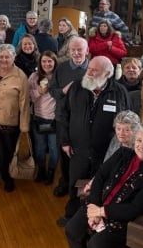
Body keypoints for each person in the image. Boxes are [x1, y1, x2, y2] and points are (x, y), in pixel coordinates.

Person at [65, 126, 143, 248]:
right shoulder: (122, 153)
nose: (142, 145)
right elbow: (100, 176)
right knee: (71, 230)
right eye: (139, 140)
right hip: (97, 203)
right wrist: (94, 206)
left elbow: (134, 209)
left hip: (122, 219)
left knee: (95, 245)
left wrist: (100, 212)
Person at [57, 56, 130, 226]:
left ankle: (94, 220)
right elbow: (63, 114)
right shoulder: (77, 87)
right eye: (89, 68)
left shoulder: (119, 92)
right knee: (76, 185)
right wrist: (65, 141)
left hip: (105, 153)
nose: (88, 72)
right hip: (78, 150)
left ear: (108, 73)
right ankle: (72, 216)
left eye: (94, 70)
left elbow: (126, 122)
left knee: (99, 187)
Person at [0, 44, 31, 192]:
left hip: (9, 122)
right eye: (1, 56)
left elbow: (25, 103)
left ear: (13, 57)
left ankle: (8, 177)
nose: (4, 59)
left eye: (7, 57)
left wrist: (24, 126)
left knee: (7, 152)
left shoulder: (20, 76)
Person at [49, 36, 89, 197]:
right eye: (73, 50)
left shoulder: (93, 69)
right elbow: (53, 91)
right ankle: (65, 182)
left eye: (80, 49)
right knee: (64, 153)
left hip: (85, 121)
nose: (77, 53)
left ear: (87, 51)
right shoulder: (61, 68)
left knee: (82, 156)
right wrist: (64, 91)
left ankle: (79, 186)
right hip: (63, 119)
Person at [28, 50, 59, 184]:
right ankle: (41, 170)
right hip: (38, 118)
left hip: (54, 119)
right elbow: (28, 95)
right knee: (39, 148)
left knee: (53, 148)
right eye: (44, 61)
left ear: (54, 62)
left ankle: (51, 171)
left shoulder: (59, 77)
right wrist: (38, 92)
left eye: (50, 61)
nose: (47, 64)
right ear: (40, 63)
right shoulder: (34, 77)